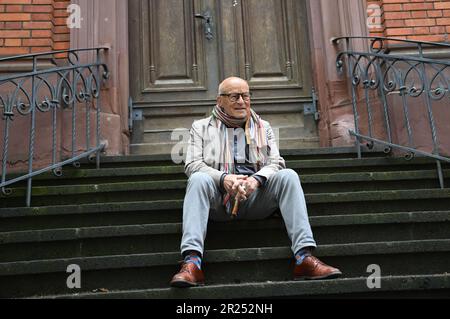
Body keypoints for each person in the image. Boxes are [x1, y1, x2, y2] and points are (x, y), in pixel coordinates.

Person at [170, 77, 342, 288]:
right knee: (197, 179)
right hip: (217, 200)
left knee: (288, 175)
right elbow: (193, 164)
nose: (241, 101)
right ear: (219, 100)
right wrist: (224, 179)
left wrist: (256, 180)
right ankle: (192, 264)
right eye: (234, 96)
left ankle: (304, 258)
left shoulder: (264, 126)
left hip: (255, 200)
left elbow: (276, 162)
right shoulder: (201, 127)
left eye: (246, 96)